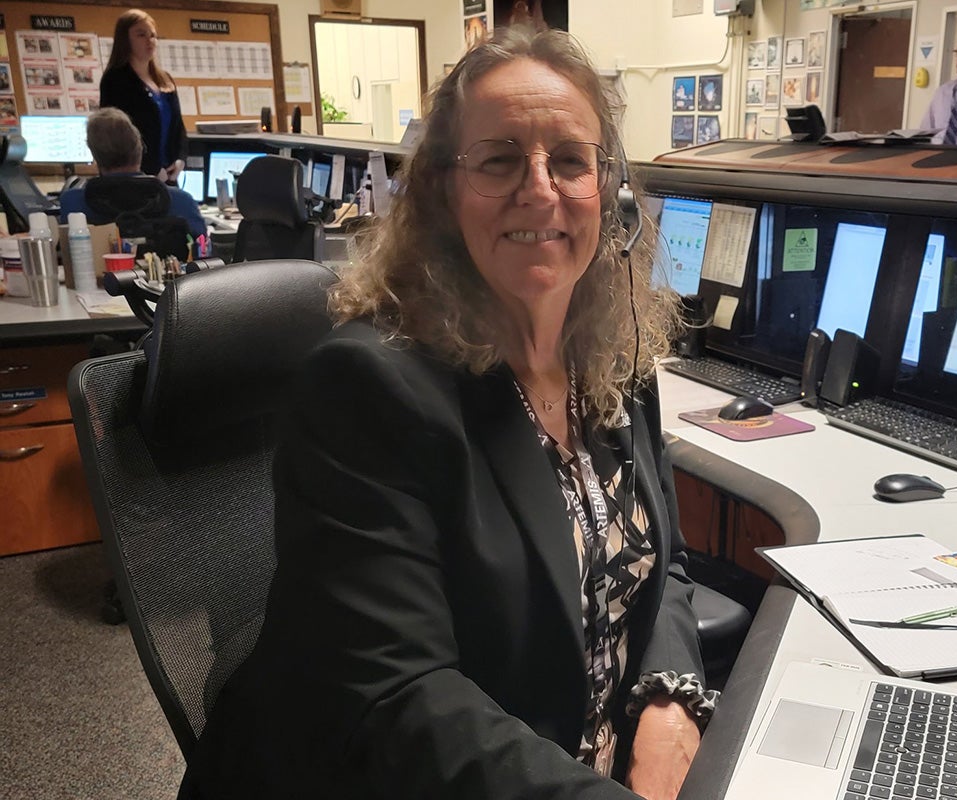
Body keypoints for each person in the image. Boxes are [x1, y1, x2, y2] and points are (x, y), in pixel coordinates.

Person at [182, 21, 717, 800]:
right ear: (440, 189)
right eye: (500, 160)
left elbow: (664, 568)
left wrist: (669, 699)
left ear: (609, 190)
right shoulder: (367, 390)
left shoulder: (614, 361)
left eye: (571, 161)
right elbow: (400, 700)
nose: (541, 189)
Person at [57, 107, 206, 239]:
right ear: (139, 149)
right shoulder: (181, 201)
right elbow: (203, 250)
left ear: (94, 154)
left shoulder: (73, 204)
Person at [100, 9, 186, 182]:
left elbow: (178, 128)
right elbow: (118, 135)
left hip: (169, 175)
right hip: (133, 178)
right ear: (125, 40)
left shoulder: (164, 79)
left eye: (153, 35)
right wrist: (152, 169)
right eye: (141, 35)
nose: (150, 41)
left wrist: (180, 160)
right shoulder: (115, 80)